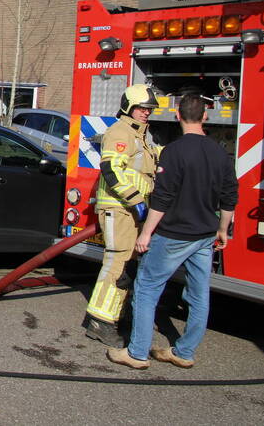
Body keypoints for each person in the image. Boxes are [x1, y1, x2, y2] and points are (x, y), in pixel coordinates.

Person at [108, 94, 237, 369]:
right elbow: (229, 198)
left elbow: (163, 199)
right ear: (205, 117)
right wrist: (223, 230)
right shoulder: (219, 154)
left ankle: (137, 353)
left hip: (173, 235)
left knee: (146, 289)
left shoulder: (173, 152)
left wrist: (146, 234)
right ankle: (184, 352)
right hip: (204, 236)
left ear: (178, 116)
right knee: (199, 295)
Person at [85, 83, 160, 347]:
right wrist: (136, 201)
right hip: (119, 209)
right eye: (141, 108)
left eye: (149, 109)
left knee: (127, 264)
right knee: (117, 263)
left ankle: (117, 313)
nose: (146, 113)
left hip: (129, 211)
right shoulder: (121, 132)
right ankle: (100, 321)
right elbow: (111, 169)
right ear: (128, 106)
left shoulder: (140, 136)